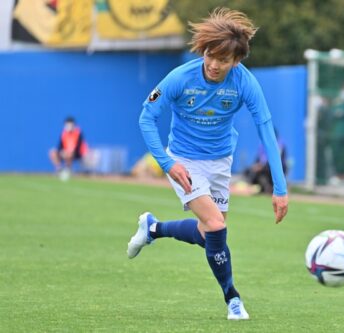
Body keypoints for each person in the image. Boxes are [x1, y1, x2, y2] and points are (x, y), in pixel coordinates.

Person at [126, 8, 288, 320]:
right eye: (210, 55)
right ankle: (233, 299)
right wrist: (166, 162)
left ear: (236, 61)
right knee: (216, 225)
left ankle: (153, 229)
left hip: (220, 162)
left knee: (208, 235)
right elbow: (147, 116)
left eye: (223, 60)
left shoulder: (245, 83)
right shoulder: (180, 78)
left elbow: (266, 128)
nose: (214, 65)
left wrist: (280, 189)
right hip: (183, 161)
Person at [244, 128, 287, 194]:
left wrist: (261, 166)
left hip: (277, 168)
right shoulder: (263, 144)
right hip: (264, 166)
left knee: (265, 170)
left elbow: (276, 161)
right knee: (248, 171)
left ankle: (271, 188)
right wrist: (255, 165)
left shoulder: (279, 145)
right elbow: (258, 158)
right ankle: (260, 187)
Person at [48, 116, 88, 181]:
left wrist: (69, 151)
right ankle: (59, 169)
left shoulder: (78, 133)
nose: (68, 126)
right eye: (66, 124)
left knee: (69, 154)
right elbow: (59, 146)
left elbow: (78, 146)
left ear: (73, 125)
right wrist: (61, 151)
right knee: (52, 152)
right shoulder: (64, 133)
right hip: (65, 152)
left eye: (69, 124)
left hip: (76, 154)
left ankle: (68, 170)